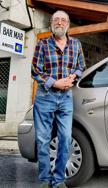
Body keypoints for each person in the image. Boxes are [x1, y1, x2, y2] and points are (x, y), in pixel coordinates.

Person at [31, 10, 86, 188]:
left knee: (65, 138)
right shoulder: (43, 44)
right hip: (45, 97)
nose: (60, 23)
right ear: (51, 24)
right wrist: (55, 83)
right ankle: (46, 180)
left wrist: (72, 78)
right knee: (43, 140)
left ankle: (59, 180)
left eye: (63, 20)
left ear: (68, 24)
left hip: (66, 98)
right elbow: (35, 71)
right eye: (56, 20)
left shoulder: (76, 44)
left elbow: (81, 66)